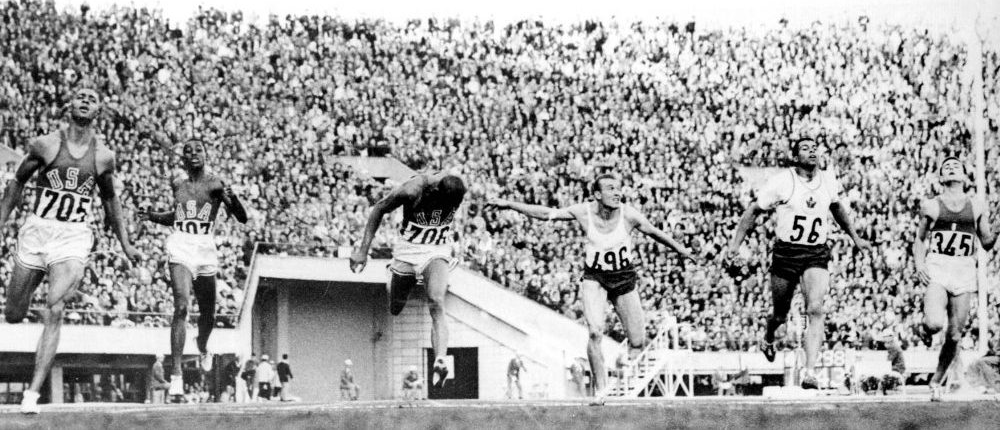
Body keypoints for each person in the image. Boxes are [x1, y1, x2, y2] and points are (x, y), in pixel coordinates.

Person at [488, 173, 698, 398]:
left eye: (619, 188)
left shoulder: (628, 215)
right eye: (610, 189)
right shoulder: (583, 212)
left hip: (624, 278)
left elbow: (655, 233)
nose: (617, 193)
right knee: (595, 332)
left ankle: (625, 381)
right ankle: (601, 390)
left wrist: (681, 250)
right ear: (597, 194)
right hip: (595, 278)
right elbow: (547, 213)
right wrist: (511, 204)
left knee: (637, 340)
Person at [0, 88, 140, 414]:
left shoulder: (103, 157)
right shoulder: (45, 144)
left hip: (73, 236)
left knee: (56, 308)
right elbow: (16, 184)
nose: (87, 99)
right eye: (81, 95)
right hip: (38, 231)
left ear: (99, 109)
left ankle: (32, 394)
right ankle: (33, 292)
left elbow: (110, 202)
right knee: (14, 314)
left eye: (93, 96)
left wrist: (125, 243)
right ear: (70, 105)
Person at [727, 135, 870, 390]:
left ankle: (810, 371)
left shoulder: (828, 180)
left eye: (814, 147)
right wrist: (734, 246)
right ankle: (769, 337)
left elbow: (837, 209)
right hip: (787, 253)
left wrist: (856, 238)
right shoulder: (782, 181)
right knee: (779, 315)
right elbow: (753, 211)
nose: (812, 150)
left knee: (815, 308)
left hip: (815, 252)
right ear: (795, 157)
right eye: (805, 148)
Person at [137, 138, 248, 398]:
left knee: (208, 313)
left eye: (198, 149)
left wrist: (232, 197)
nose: (193, 153)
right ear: (183, 159)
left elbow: (242, 217)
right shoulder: (177, 184)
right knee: (182, 306)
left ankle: (202, 344)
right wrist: (152, 215)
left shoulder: (216, 184)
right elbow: (177, 217)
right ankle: (176, 374)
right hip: (181, 245)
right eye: (188, 150)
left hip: (205, 247)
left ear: (206, 154)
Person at [351, 171, 467, 388]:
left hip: (436, 249)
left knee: (437, 301)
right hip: (408, 250)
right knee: (395, 307)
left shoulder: (458, 187)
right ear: (435, 192)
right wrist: (363, 251)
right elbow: (379, 209)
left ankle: (440, 359)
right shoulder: (412, 190)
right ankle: (396, 277)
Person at [913, 157, 995, 401]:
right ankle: (924, 323)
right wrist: (919, 263)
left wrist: (997, 227)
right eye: (945, 166)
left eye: (956, 166)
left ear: (964, 177)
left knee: (955, 334)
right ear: (941, 177)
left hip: (964, 268)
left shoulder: (977, 205)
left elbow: (987, 243)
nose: (950, 167)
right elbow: (920, 238)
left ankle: (936, 380)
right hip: (938, 265)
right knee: (934, 324)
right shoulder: (931, 206)